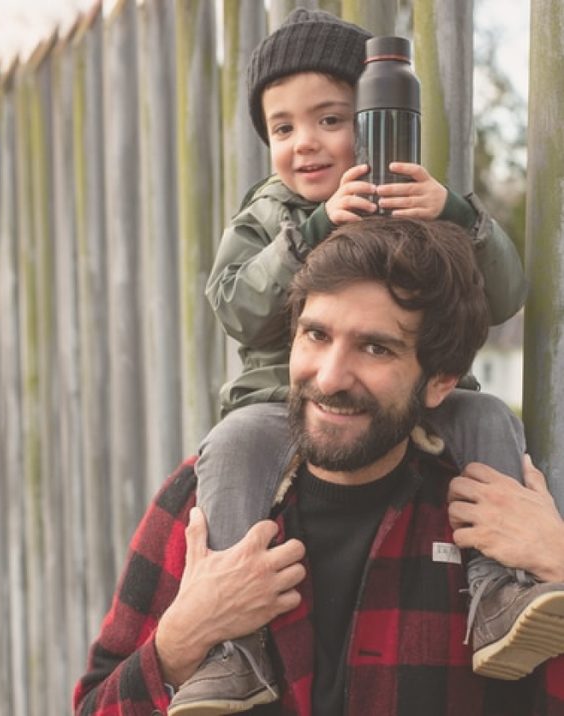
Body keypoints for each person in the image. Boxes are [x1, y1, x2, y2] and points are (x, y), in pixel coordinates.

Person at [182, 7, 553, 712]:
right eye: (282, 128)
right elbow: (236, 307)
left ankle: (500, 593)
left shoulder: (414, 197)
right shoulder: (269, 215)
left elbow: (503, 297)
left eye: (330, 119)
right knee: (231, 446)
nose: (305, 143)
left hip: (419, 399)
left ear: (377, 120)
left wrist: (458, 214)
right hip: (280, 406)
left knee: (489, 419)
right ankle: (233, 650)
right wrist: (312, 229)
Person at [73, 218, 564, 716]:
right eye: (316, 335)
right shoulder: (204, 501)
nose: (329, 378)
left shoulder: (500, 517)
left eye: (375, 348)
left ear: (440, 381)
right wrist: (181, 641)